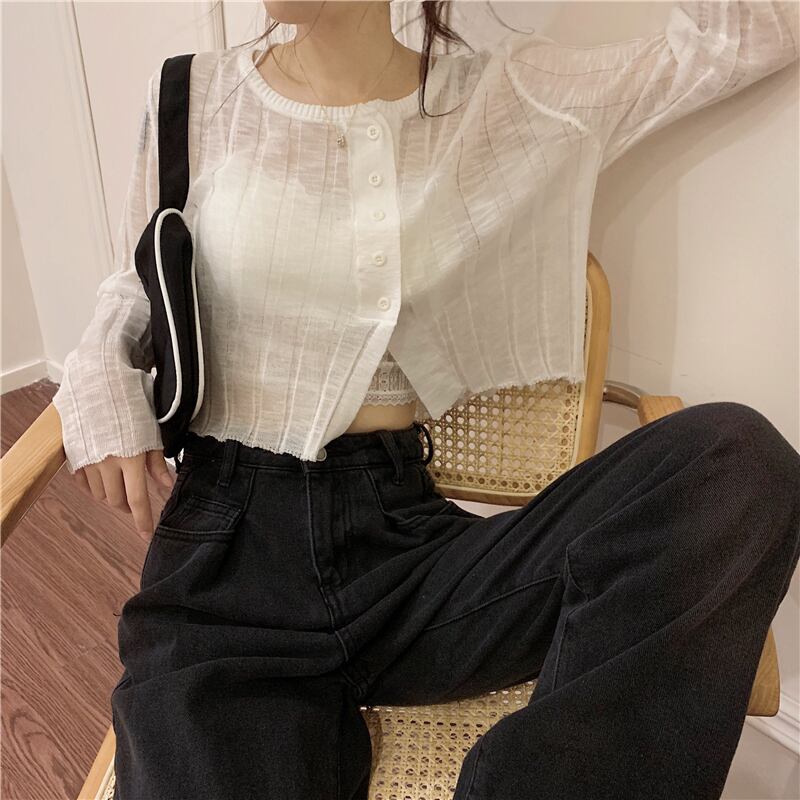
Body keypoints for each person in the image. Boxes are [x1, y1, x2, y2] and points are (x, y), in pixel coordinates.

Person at [52, 2, 800, 798]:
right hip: (229, 563)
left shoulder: (504, 98)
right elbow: (134, 286)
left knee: (737, 463)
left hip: (409, 552)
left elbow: (755, 32)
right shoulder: (194, 95)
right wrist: (100, 380)